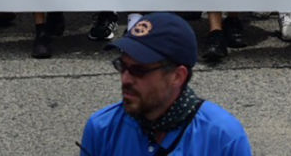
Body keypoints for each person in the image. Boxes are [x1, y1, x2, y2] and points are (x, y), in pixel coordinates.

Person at [81, 12, 252, 156]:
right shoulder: (102, 128)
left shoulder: (223, 137)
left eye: (139, 70)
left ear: (178, 76)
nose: (125, 79)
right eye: (122, 66)